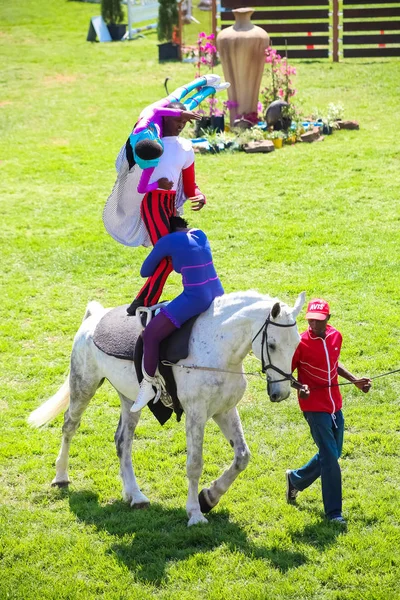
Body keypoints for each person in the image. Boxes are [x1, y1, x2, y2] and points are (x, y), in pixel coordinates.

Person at [286, 298, 372, 525]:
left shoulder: (336, 336)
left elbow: (334, 363)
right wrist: (299, 387)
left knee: (333, 452)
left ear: (328, 320)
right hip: (313, 406)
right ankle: (334, 513)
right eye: (310, 320)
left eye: (318, 321)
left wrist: (355, 380)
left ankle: (295, 480)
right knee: (331, 459)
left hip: (335, 403)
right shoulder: (301, 343)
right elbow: (286, 373)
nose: (313, 325)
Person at [130, 216, 224, 412]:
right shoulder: (200, 234)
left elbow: (145, 271)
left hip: (195, 298)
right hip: (217, 293)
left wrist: (161, 250)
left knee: (151, 334)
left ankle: (147, 386)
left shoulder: (167, 240)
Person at [125, 101, 208, 315]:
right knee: (168, 256)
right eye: (177, 118)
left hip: (170, 207)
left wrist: (199, 195)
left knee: (172, 257)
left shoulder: (187, 148)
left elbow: (190, 186)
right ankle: (143, 302)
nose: (181, 123)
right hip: (153, 203)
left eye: (184, 121)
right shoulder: (151, 144)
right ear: (165, 118)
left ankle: (144, 302)